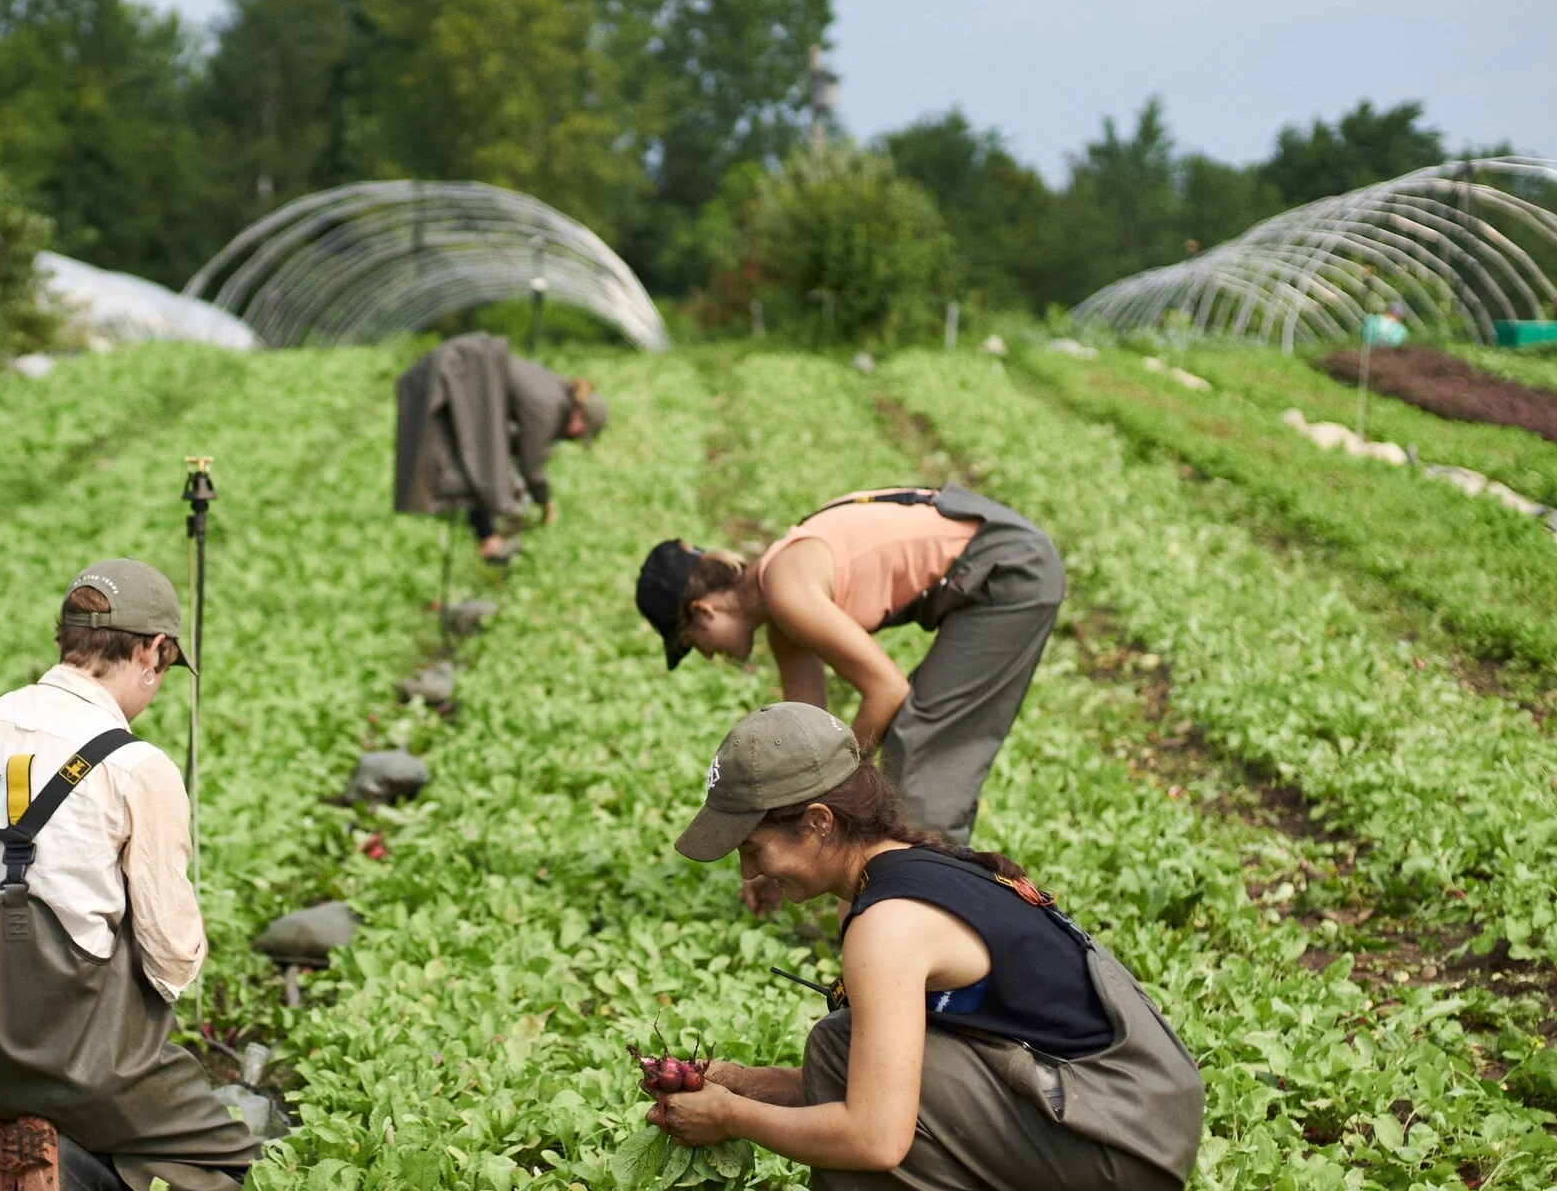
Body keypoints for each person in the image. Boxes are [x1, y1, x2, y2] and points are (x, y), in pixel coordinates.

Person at [647, 704, 1205, 1191]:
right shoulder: (922, 869)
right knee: (844, 1053)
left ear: (818, 822)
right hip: (1133, 1122)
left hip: (1115, 1139)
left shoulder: (887, 923)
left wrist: (734, 1118)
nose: (749, 874)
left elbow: (877, 1134)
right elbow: (925, 1079)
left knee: (840, 1051)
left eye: (752, 848)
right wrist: (748, 1083)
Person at [0, 558, 260, 1191]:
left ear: (65, 639)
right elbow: (173, 959)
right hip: (92, 1068)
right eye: (164, 667)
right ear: (152, 650)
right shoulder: (134, 766)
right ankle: (73, 1173)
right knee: (231, 1159)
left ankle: (31, 1148)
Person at [635, 484, 1063, 857]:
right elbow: (809, 748)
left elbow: (886, 690)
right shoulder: (782, 612)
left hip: (1007, 568)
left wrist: (843, 785)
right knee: (901, 764)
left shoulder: (787, 590)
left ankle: (922, 907)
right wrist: (779, 845)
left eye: (694, 646)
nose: (710, 656)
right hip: (989, 564)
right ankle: (893, 896)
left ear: (704, 611)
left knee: (916, 755)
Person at [395, 331, 608, 561]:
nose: (575, 438)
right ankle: (490, 539)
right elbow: (532, 466)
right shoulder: (550, 409)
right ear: (579, 415)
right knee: (485, 464)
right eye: (581, 432)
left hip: (466, 375)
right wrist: (545, 502)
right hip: (460, 374)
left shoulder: (556, 392)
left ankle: (486, 532)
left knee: (488, 458)